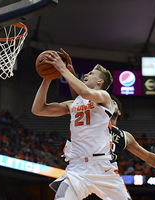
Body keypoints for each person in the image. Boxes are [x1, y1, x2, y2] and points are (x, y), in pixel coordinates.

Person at [31, 49, 131, 200]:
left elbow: (84, 92)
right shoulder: (74, 104)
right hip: (77, 168)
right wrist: (48, 76)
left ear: (100, 82)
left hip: (103, 167)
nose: (86, 75)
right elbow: (38, 109)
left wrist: (63, 69)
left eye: (91, 73)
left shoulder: (105, 97)